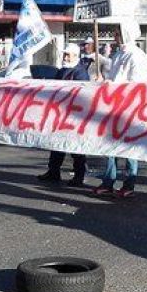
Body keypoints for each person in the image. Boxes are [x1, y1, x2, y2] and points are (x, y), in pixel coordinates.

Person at [93, 21, 147, 198]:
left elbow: (137, 84)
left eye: (118, 33)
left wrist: (114, 84)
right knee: (110, 145)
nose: (115, 36)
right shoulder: (117, 55)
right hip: (113, 107)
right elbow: (111, 77)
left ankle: (129, 183)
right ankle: (108, 181)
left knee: (129, 147)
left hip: (130, 108)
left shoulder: (137, 56)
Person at [38, 43, 89, 186]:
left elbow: (82, 95)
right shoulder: (61, 71)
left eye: (68, 54)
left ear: (75, 56)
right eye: (64, 54)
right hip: (60, 114)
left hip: (74, 116)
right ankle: (53, 171)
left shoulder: (80, 73)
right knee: (56, 144)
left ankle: (79, 176)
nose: (65, 57)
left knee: (76, 147)